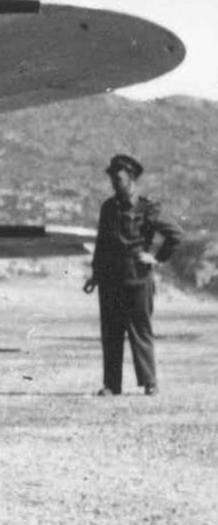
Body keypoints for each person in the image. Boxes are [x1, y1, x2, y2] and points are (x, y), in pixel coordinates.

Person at [84, 153, 182, 395]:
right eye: (112, 179)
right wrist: (95, 275)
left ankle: (150, 383)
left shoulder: (147, 208)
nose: (114, 183)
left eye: (118, 178)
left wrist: (156, 258)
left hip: (137, 278)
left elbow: (175, 235)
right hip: (110, 279)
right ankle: (111, 385)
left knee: (141, 330)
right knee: (111, 332)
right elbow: (101, 244)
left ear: (131, 178)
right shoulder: (108, 208)